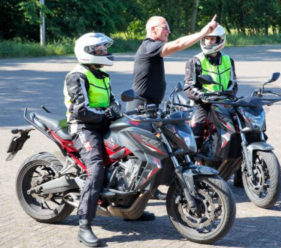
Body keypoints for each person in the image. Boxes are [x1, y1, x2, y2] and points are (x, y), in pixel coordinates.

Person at [127, 15, 219, 200]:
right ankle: (132, 194)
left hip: (151, 107)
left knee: (158, 150)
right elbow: (176, 44)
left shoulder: (152, 47)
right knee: (144, 154)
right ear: (153, 30)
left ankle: (148, 190)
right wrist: (202, 33)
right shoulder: (149, 46)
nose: (168, 31)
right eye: (165, 27)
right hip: (140, 108)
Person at [64, 32, 120, 247]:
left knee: (129, 154)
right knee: (96, 168)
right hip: (84, 127)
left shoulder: (102, 74)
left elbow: (111, 101)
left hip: (102, 124)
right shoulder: (77, 75)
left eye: (105, 49)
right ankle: (84, 225)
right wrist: (104, 115)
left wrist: (117, 111)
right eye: (101, 49)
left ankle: (132, 209)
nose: (105, 52)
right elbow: (80, 109)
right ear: (89, 52)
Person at [184, 24, 237, 151]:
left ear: (220, 40)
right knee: (197, 129)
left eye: (213, 39)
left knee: (240, 123)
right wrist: (202, 96)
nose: (209, 41)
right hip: (203, 103)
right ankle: (193, 161)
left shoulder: (228, 60)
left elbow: (233, 83)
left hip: (224, 102)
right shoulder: (195, 61)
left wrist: (229, 93)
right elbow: (188, 87)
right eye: (206, 38)